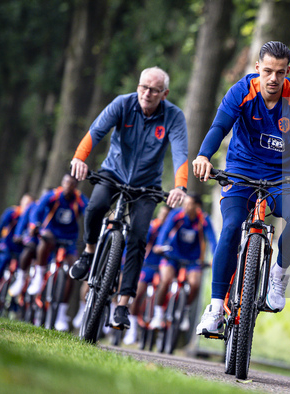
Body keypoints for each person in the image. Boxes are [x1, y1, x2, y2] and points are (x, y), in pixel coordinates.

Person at [193, 41, 290, 336]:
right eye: (268, 71)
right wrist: (203, 156)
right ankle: (216, 306)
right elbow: (220, 126)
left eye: (280, 73)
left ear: (288, 72)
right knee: (232, 226)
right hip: (240, 170)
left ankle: (278, 274)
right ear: (257, 68)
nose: (273, 78)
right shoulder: (241, 91)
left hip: (282, 177)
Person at [69, 66, 189, 330]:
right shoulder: (122, 104)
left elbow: (180, 151)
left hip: (146, 185)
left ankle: (122, 304)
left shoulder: (173, 117)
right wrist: (79, 158)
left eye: (154, 90)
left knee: (137, 236)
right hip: (113, 172)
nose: (146, 93)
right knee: (96, 206)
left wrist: (180, 186)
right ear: (138, 87)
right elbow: (96, 131)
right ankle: (89, 254)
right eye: (143, 87)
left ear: (164, 93)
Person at [26, 174, 88, 331]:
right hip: (51, 234)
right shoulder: (52, 195)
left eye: (72, 184)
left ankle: (61, 314)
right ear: (62, 183)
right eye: (66, 183)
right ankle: (39, 275)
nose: (69, 186)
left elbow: (89, 213)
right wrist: (34, 225)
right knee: (44, 241)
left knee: (72, 271)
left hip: (69, 239)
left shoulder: (79, 199)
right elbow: (36, 212)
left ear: (76, 186)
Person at [148, 194, 209, 330]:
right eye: (184, 204)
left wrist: (214, 258)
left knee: (195, 283)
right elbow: (165, 231)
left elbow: (212, 238)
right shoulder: (177, 215)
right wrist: (159, 245)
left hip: (193, 259)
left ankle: (184, 311)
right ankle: (158, 315)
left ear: (197, 207)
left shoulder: (203, 219)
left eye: (189, 204)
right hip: (172, 255)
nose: (185, 207)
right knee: (166, 279)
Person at [122, 204, 170, 345]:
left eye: (166, 215)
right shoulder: (152, 227)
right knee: (138, 294)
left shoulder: (171, 230)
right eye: (162, 213)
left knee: (165, 289)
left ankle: (160, 316)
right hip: (147, 265)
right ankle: (132, 330)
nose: (163, 217)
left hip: (163, 267)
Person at [0, 194, 34, 296]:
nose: (27, 206)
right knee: (4, 259)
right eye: (25, 203)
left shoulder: (31, 217)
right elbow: (1, 226)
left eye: (29, 204)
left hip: (21, 249)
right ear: (21, 202)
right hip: (7, 245)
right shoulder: (12, 212)